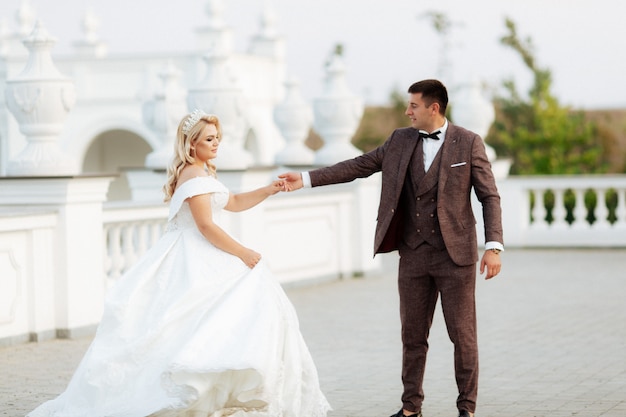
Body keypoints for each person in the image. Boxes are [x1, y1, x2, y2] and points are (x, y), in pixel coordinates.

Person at [27, 110, 331, 417]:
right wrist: (243, 252)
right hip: (191, 255)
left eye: (218, 139)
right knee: (188, 323)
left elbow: (235, 202)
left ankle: (215, 389)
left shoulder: (202, 172)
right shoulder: (193, 175)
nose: (216, 145)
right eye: (210, 139)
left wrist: (269, 189)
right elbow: (206, 226)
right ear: (192, 142)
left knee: (220, 317)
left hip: (200, 252)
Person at [280, 79, 503, 417]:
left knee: (463, 335)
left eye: (413, 105)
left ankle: (466, 409)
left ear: (434, 108)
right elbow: (357, 166)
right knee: (412, 336)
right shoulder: (399, 140)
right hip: (412, 253)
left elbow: (489, 196)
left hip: (454, 256)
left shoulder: (468, 143)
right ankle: (411, 408)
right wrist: (307, 179)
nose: (406, 111)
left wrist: (494, 246)